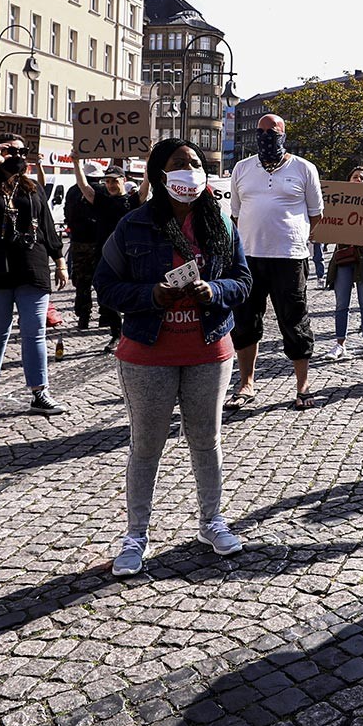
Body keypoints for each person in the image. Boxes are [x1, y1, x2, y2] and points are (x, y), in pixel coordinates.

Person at [95, 138, 253, 573]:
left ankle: (212, 521)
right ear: (159, 174)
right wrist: (151, 295)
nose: (190, 170)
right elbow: (106, 286)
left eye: (195, 163)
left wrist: (215, 290)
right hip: (147, 355)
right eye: (180, 164)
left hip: (209, 350)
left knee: (207, 441)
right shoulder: (133, 225)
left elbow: (243, 280)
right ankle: (136, 535)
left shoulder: (220, 223)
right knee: (146, 446)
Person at [0, 134, 69, 417]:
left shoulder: (32, 188)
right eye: (10, 151)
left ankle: (39, 392)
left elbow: (47, 225)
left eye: (22, 151)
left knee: (35, 332)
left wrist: (59, 260)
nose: (17, 155)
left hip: (31, 265)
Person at [228, 114, 323, 410]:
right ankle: (246, 383)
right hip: (249, 258)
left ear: (283, 134)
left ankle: (302, 385)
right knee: (244, 322)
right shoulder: (242, 168)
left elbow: (316, 214)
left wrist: (293, 237)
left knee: (294, 322)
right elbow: (235, 213)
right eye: (261, 131)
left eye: (272, 131)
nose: (266, 135)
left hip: (289, 257)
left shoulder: (304, 168)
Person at [67, 161, 136, 349]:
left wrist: (149, 156)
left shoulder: (133, 201)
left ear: (124, 180)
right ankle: (117, 334)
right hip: (106, 257)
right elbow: (84, 187)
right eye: (107, 181)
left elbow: (147, 187)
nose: (111, 185)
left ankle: (132, 333)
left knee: (132, 295)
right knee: (108, 297)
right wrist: (75, 162)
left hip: (130, 256)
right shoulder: (103, 201)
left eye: (114, 181)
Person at [327, 166, 363, 361]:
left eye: (362, 177)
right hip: (344, 253)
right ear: (348, 180)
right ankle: (339, 344)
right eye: (355, 177)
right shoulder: (340, 201)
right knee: (341, 301)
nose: (358, 180)